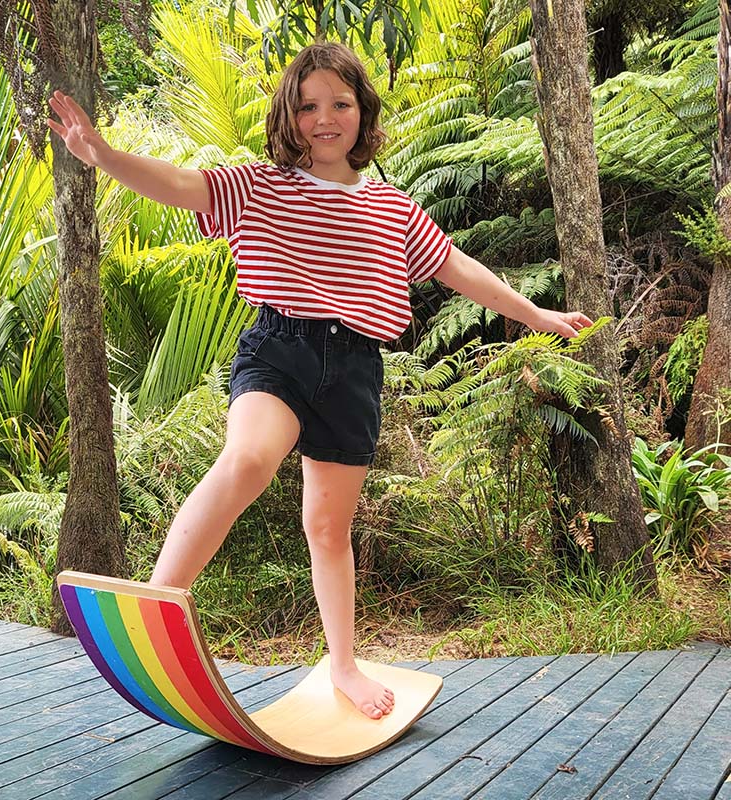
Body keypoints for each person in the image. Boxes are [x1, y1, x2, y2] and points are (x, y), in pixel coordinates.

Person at [48, 42, 592, 721]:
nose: (324, 118)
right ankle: (157, 605)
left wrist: (534, 312)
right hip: (281, 349)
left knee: (328, 530)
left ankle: (342, 665)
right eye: (308, 106)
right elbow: (183, 184)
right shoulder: (260, 186)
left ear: (363, 113)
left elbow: (456, 266)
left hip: (357, 370)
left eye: (341, 104)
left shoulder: (393, 207)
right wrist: (103, 156)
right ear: (289, 114)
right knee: (249, 456)